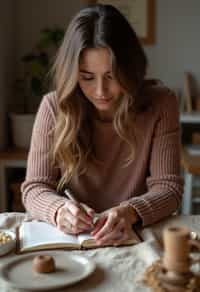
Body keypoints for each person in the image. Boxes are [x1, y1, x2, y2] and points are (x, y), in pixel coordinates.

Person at [21, 4, 183, 246]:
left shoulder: (161, 103)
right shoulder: (54, 106)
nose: (100, 91)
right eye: (87, 77)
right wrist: (58, 210)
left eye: (111, 75)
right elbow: (35, 187)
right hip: (71, 241)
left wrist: (130, 212)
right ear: (72, 74)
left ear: (130, 68)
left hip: (133, 235)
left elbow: (168, 188)